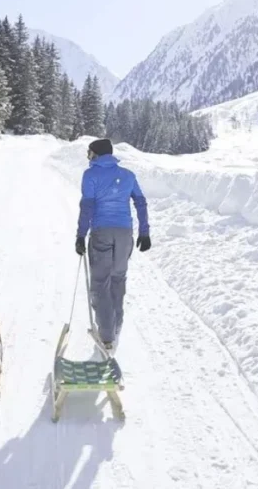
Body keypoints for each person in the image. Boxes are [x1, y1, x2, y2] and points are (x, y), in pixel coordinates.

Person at [75, 138, 150, 354]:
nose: (89, 158)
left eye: (90, 154)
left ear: (97, 155)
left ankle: (106, 336)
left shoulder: (90, 175)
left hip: (101, 233)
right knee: (118, 279)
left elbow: (87, 207)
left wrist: (81, 235)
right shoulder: (128, 175)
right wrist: (144, 232)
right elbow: (140, 201)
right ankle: (115, 328)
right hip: (125, 234)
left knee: (100, 283)